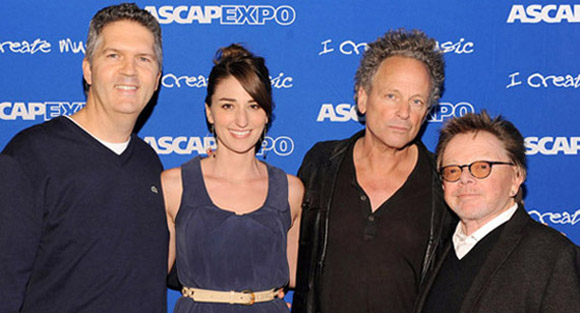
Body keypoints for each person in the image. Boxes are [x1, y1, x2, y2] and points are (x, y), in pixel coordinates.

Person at [0, 3, 168, 312]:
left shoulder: (149, 163)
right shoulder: (30, 157)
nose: (129, 70)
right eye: (113, 55)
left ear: (157, 79)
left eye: (143, 59)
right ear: (88, 69)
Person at [292, 29, 456, 313]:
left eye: (416, 101)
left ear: (427, 111)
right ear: (362, 98)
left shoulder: (444, 183)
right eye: (391, 95)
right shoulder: (321, 163)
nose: (404, 112)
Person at [161, 44, 303, 312]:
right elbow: (146, 278)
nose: (241, 120)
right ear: (209, 112)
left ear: (266, 114)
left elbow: (297, 276)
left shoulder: (291, 191)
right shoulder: (174, 186)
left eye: (253, 105)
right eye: (228, 105)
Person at [415, 111, 580, 313]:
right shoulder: (437, 251)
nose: (465, 179)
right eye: (452, 170)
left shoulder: (553, 256)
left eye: (482, 167)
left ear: (516, 177)